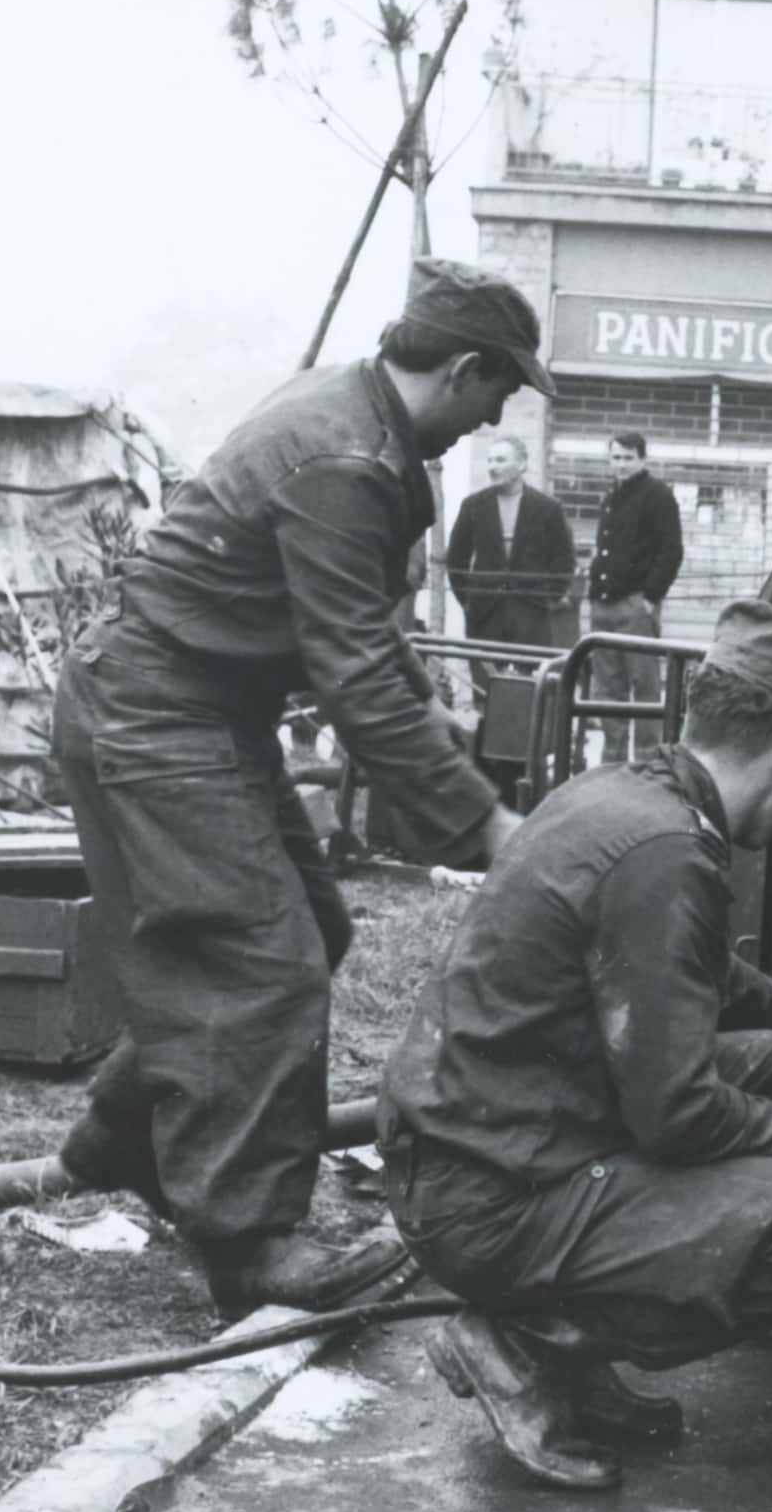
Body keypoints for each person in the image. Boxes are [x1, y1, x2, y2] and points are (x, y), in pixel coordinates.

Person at [54, 259, 536, 1319]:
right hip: (155, 709)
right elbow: (353, 667)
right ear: (461, 369)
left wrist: (432, 721)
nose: (497, 414)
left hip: (195, 707)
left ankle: (123, 1139)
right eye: (499, 390)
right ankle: (250, 1245)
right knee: (260, 967)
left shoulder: (353, 412)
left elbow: (357, 633)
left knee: (306, 929)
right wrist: (482, 822)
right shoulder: (345, 455)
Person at [380, 601, 772, 1491]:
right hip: (489, 1200)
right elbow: (674, 1113)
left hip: (474, 1144)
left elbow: (697, 976)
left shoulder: (620, 797)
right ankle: (526, 1340)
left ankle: (570, 1354)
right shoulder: (667, 853)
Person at [586, 432, 682, 761]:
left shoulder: (657, 496)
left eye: (628, 458)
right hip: (604, 605)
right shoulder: (612, 498)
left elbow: (671, 551)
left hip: (635, 605)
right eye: (616, 458)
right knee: (607, 691)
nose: (622, 464)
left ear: (642, 459)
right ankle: (611, 761)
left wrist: (650, 599)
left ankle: (646, 763)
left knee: (644, 687)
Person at [446, 434, 577, 657]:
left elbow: (564, 559)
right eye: (490, 460)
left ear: (522, 464)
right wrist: (468, 599)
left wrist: (548, 599)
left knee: (528, 685)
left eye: (500, 460)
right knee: (485, 685)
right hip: (484, 615)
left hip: (531, 615)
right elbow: (456, 558)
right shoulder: (473, 506)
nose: (492, 467)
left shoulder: (548, 508)